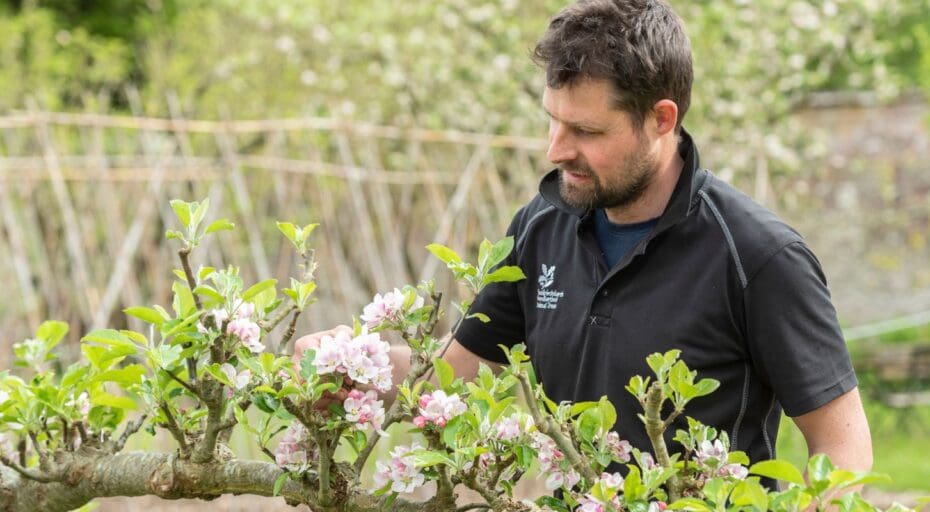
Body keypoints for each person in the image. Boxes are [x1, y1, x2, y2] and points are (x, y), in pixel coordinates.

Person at [296, 0, 871, 481]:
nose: (555, 149)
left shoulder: (759, 257)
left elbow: (843, 449)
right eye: (553, 120)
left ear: (661, 119)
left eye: (586, 131)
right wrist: (355, 367)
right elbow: (460, 372)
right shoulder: (539, 229)